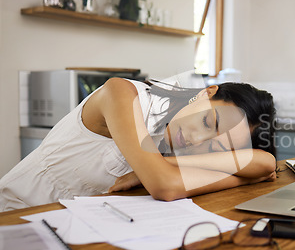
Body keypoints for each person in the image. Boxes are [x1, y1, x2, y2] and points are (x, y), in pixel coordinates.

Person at [0, 76, 277, 211]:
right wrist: (244, 179)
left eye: (215, 148)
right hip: (19, 213)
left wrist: (168, 163)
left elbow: (266, 163)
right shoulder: (121, 93)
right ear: (206, 93)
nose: (195, 141)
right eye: (208, 122)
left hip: (77, 222)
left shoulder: (175, 144)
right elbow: (166, 186)